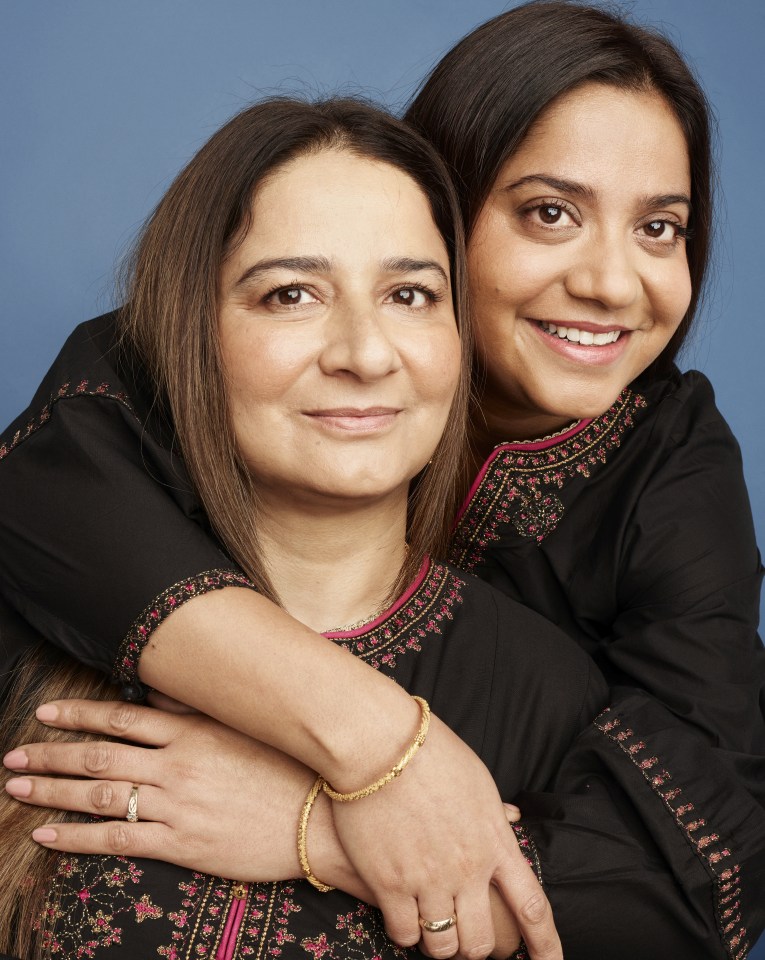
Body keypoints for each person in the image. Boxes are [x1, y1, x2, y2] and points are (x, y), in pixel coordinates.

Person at [2, 2, 764, 957]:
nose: (614, 282)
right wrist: (373, 739)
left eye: (661, 227)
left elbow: (701, 867)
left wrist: (323, 827)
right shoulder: (174, 380)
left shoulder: (668, 484)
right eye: (549, 213)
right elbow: (42, 472)